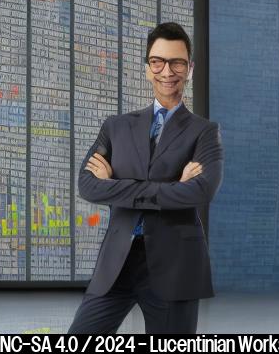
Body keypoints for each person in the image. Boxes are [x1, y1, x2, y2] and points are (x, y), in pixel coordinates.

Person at [68, 22, 224, 334]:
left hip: (175, 264)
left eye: (177, 62)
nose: (168, 71)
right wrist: (171, 188)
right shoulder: (116, 127)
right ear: (147, 67)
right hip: (117, 263)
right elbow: (87, 185)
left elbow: (201, 191)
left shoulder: (205, 132)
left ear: (189, 68)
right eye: (158, 62)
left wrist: (115, 185)